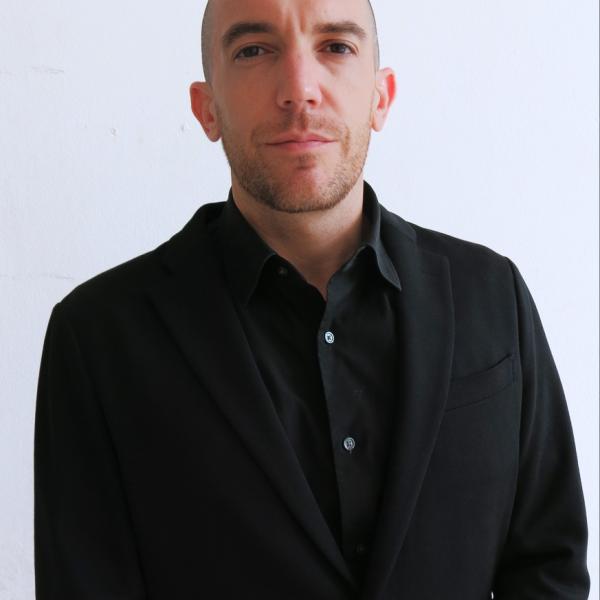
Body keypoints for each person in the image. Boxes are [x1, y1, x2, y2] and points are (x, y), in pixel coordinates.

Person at [33, 0, 590, 598]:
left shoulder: (492, 293)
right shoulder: (98, 337)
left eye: (336, 47)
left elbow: (548, 564)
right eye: (254, 50)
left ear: (381, 96)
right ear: (206, 108)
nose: (299, 89)